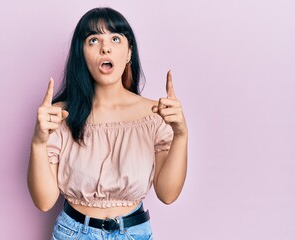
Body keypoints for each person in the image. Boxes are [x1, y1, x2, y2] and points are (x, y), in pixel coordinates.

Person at [27, 7, 188, 239]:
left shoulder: (156, 114)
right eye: (93, 40)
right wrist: (38, 142)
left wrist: (181, 135)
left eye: (115, 38)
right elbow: (44, 202)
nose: (105, 47)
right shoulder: (59, 115)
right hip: (73, 232)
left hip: (134, 233)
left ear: (129, 51)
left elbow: (168, 194)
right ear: (81, 53)